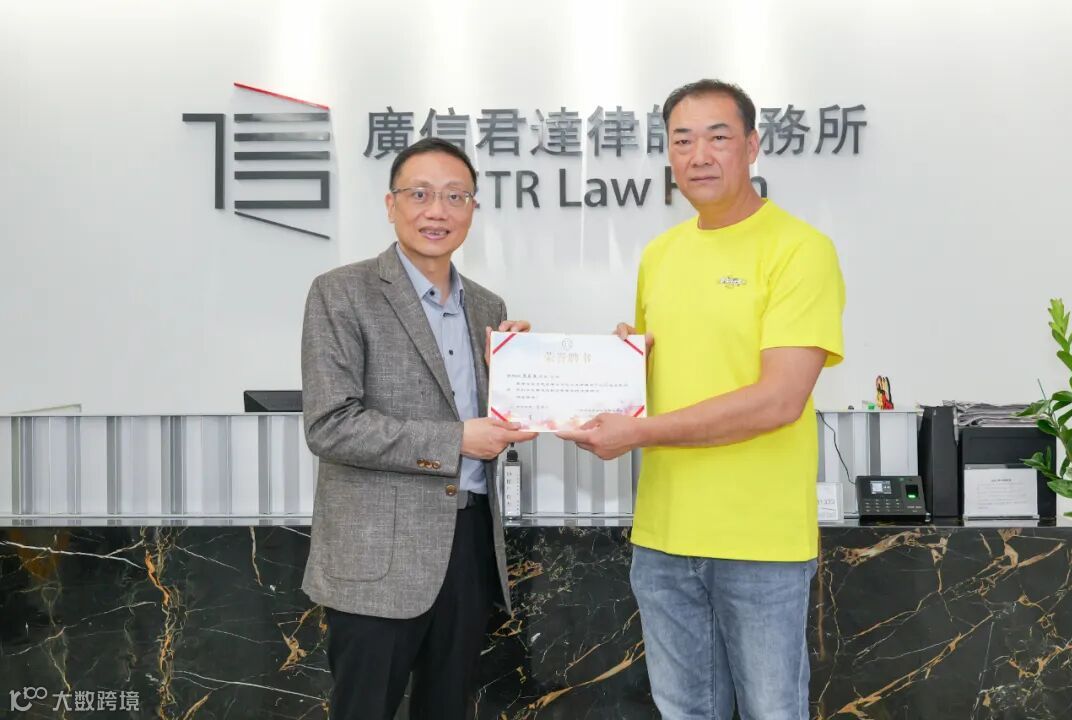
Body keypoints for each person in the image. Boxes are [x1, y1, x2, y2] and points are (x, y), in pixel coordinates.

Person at [560, 80, 845, 719]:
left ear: (752, 145)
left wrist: (638, 433)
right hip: (663, 537)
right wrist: (612, 368)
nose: (699, 155)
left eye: (718, 137)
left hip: (760, 542)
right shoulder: (660, 255)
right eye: (683, 140)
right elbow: (662, 384)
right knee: (684, 711)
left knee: (773, 711)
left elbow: (778, 401)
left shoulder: (800, 250)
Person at [300, 137, 537, 720]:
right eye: (421, 194)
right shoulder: (342, 292)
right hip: (377, 556)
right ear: (391, 204)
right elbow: (331, 425)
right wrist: (456, 441)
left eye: (456, 197)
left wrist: (522, 372)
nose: (438, 211)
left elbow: (492, 419)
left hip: (469, 544)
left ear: (473, 209)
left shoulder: (488, 306)